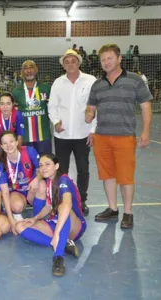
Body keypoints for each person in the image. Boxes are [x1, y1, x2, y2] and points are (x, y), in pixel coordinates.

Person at [86, 44, 152, 229]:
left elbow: (146, 106)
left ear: (119, 58)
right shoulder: (97, 84)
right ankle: (112, 208)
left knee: (125, 177)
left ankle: (128, 213)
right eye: (103, 60)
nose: (106, 62)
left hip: (124, 137)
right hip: (102, 138)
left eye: (109, 58)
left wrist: (146, 131)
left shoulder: (135, 80)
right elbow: (91, 107)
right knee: (107, 175)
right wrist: (88, 114)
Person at [15, 154, 87, 277]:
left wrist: (57, 233)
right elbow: (48, 206)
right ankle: (63, 244)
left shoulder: (64, 180)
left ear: (56, 166)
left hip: (75, 225)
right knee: (20, 226)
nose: (43, 168)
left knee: (63, 207)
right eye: (41, 165)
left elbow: (67, 205)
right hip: (56, 221)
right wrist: (35, 218)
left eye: (47, 164)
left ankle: (58, 257)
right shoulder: (49, 181)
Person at [48, 49, 97, 216]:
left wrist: (93, 130)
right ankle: (62, 199)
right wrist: (55, 122)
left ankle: (81, 200)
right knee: (62, 170)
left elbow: (96, 106)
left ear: (79, 62)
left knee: (83, 169)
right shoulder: (57, 83)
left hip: (83, 135)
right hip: (62, 135)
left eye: (73, 61)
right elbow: (52, 107)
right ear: (63, 65)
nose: (70, 64)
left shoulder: (90, 81)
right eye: (66, 62)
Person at [0, 131, 46, 233]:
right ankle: (16, 214)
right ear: (1, 146)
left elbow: (41, 169)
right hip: (16, 192)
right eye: (5, 143)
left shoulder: (29, 151)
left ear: (17, 142)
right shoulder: (1, 164)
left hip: (31, 189)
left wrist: (37, 179)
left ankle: (37, 219)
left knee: (42, 184)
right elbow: (4, 193)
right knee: (17, 206)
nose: (8, 145)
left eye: (11, 141)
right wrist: (11, 221)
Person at [12, 60, 52, 154]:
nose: (28, 70)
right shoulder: (16, 91)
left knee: (45, 165)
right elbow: (14, 116)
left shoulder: (46, 88)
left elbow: (53, 109)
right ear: (21, 72)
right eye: (25, 68)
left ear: (36, 70)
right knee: (27, 167)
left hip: (44, 136)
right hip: (24, 137)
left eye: (31, 67)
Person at [0, 92, 24, 165]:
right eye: (2, 104)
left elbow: (19, 136)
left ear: (13, 104)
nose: (5, 107)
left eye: (8, 104)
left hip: (12, 143)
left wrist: (17, 152)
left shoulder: (18, 114)